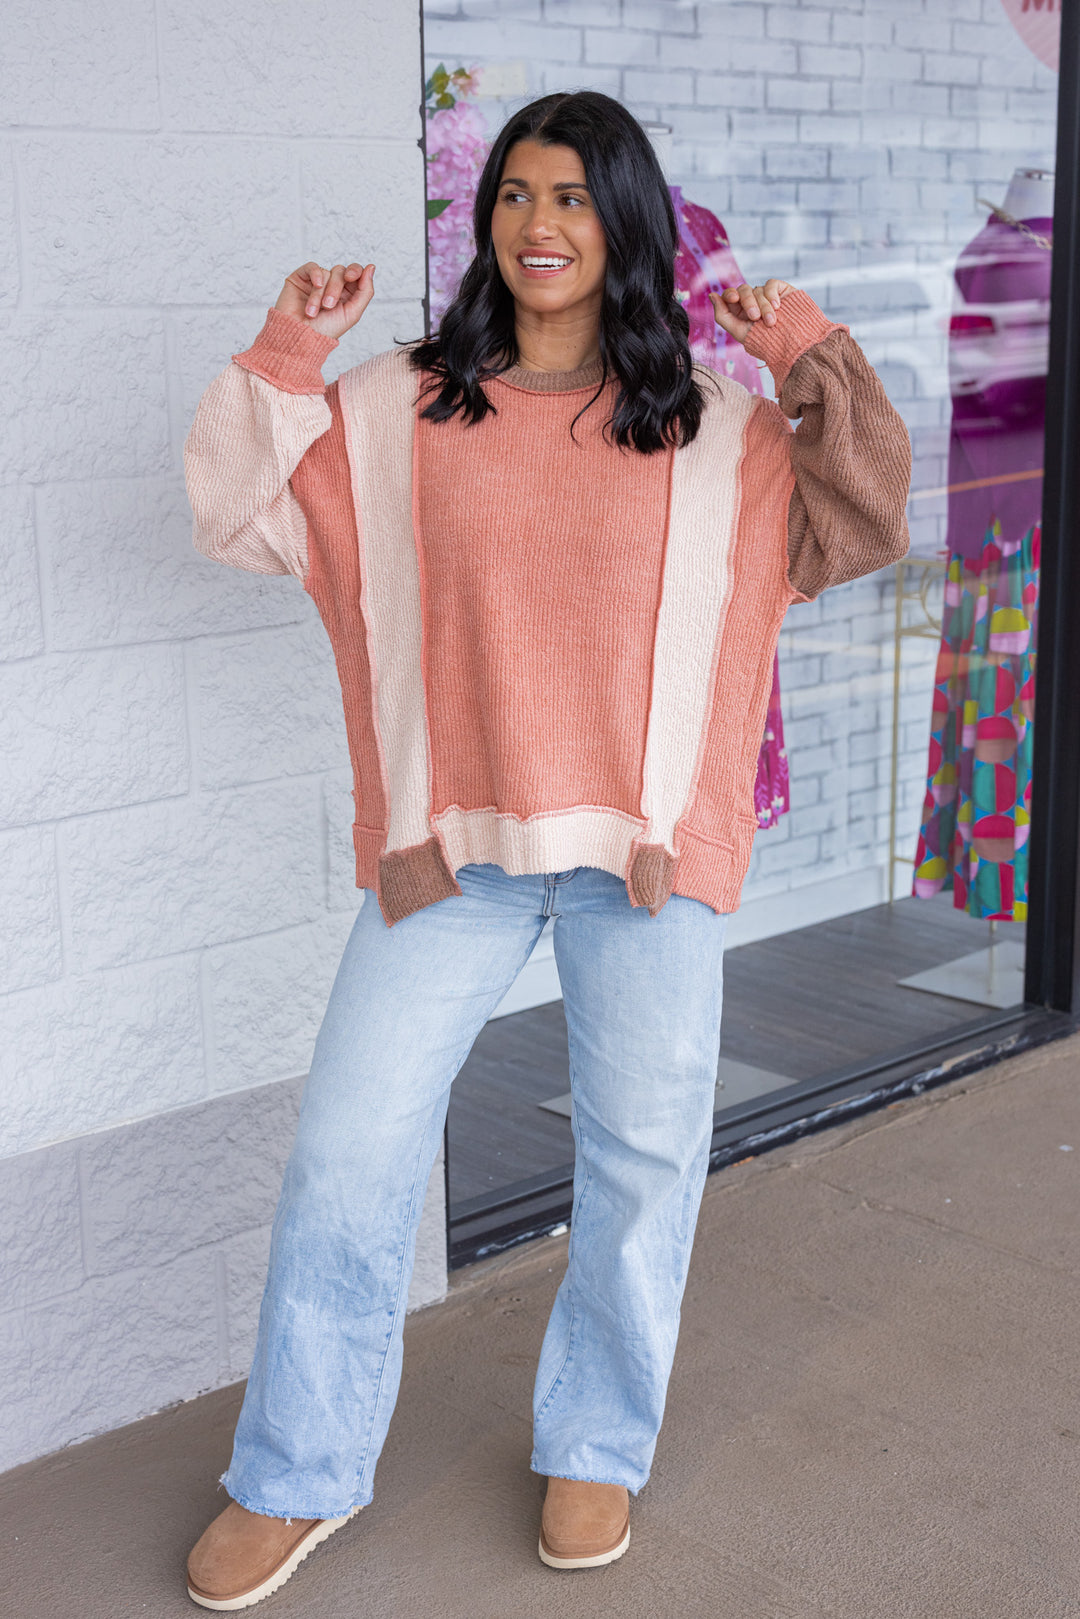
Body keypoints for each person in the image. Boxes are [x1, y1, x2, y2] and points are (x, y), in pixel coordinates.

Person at [181, 89, 910, 1609]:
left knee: (641, 1165)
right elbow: (244, 513)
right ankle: (297, 1469)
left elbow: (864, 512)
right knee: (347, 1159)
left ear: (624, 221)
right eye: (514, 194)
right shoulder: (405, 408)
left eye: (573, 197)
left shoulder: (717, 427)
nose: (538, 225)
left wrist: (808, 354)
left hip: (639, 859)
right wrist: (287, 352)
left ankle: (597, 1441)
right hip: (456, 855)